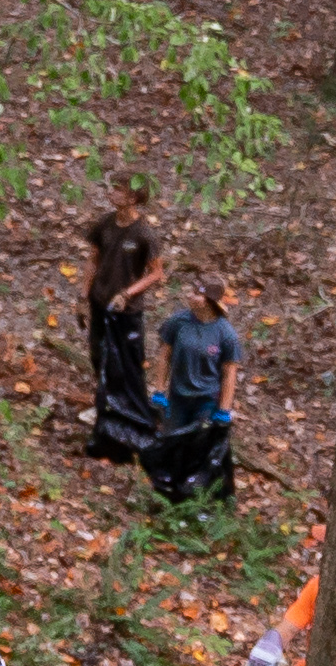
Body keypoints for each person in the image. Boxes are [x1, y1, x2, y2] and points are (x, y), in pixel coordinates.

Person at [141, 281, 242, 503]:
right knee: (173, 445)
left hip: (207, 401)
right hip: (178, 398)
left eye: (197, 294)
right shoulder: (178, 322)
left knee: (198, 450)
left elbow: (229, 374)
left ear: (209, 302)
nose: (190, 295)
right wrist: (159, 390)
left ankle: (197, 501)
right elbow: (164, 355)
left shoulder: (225, 334)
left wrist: (224, 410)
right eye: (192, 291)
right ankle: (169, 497)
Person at [80, 177, 161, 416]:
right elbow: (92, 259)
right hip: (100, 302)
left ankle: (132, 410)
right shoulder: (104, 224)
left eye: (118, 189)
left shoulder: (144, 233)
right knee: (98, 354)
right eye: (113, 188)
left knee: (127, 360)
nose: (111, 192)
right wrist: (83, 297)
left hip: (127, 310)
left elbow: (156, 273)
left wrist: (128, 293)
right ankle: (104, 405)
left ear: (132, 198)